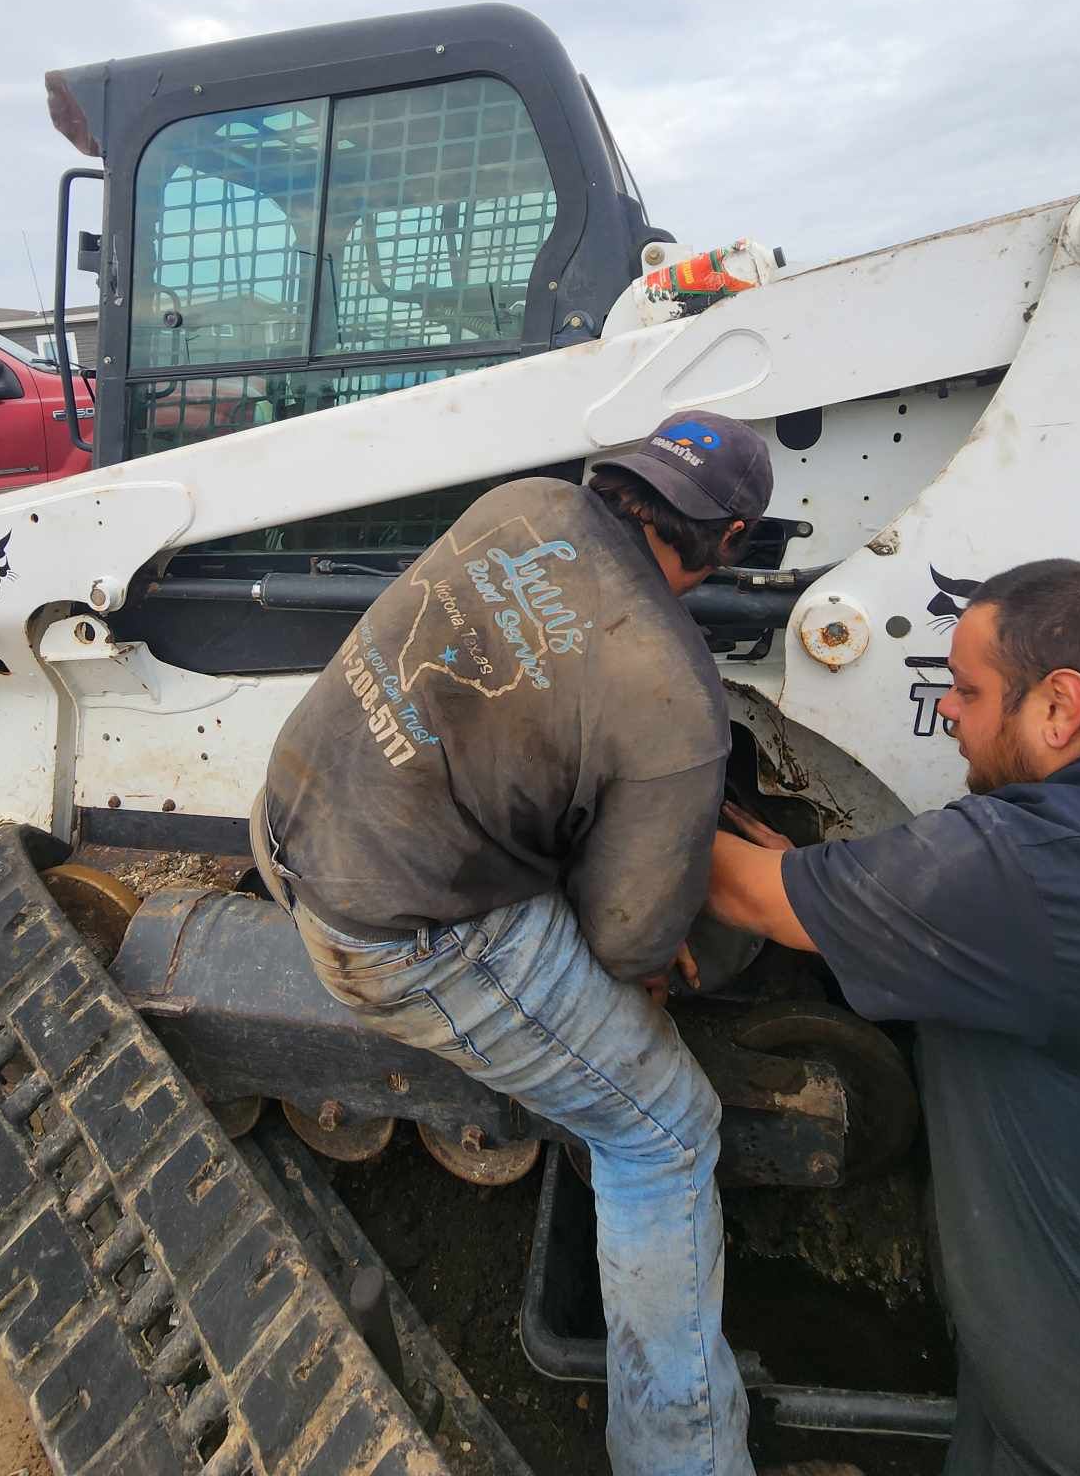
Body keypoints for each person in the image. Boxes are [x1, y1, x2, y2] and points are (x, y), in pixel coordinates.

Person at [256, 411, 773, 1476]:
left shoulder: (521, 506)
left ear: (618, 476)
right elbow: (633, 937)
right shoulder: (678, 696)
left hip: (287, 820)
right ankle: (687, 1458)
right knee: (666, 1131)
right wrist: (664, 928)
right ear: (728, 542)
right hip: (397, 935)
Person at [708, 559, 1080, 1476]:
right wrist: (846, 885)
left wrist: (599, 802)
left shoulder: (1035, 870)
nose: (948, 713)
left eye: (968, 691)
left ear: (1060, 704)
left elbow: (748, 896)